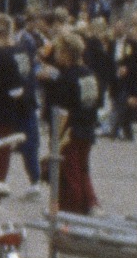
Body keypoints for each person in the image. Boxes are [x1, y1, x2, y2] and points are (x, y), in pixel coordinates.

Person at [43, 28, 102, 213]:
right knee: (83, 170)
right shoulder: (89, 74)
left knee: (70, 175)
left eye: (59, 51)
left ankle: (72, 211)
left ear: (67, 53)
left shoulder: (67, 78)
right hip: (88, 128)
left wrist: (55, 139)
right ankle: (90, 204)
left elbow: (62, 111)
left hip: (70, 133)